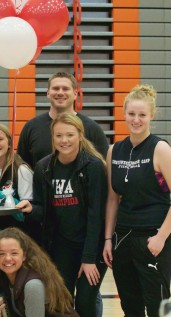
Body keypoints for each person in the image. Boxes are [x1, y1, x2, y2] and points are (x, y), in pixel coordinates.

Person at [17, 71, 108, 315]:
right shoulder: (44, 167)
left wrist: (89, 258)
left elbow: (96, 215)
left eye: (70, 135)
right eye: (59, 136)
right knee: (61, 301)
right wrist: (29, 208)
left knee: (87, 302)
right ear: (52, 137)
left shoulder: (94, 166)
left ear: (80, 135)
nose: (64, 140)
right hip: (61, 245)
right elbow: (42, 208)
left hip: (91, 245)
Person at [102, 84, 171, 317]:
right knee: (130, 305)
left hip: (153, 238)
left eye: (142, 114)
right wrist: (108, 239)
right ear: (124, 114)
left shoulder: (160, 148)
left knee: (157, 305)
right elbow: (112, 198)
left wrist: (161, 237)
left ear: (151, 115)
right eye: (131, 114)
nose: (136, 119)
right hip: (123, 238)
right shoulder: (115, 150)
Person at [17, 71, 109, 169]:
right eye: (56, 88)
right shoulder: (31, 127)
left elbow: (104, 169)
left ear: (75, 94)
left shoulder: (91, 128)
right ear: (48, 93)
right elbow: (21, 169)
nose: (60, 92)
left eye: (65, 89)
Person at [0, 227, 77, 317]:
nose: (7, 258)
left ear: (24, 256)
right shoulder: (3, 277)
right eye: (1, 253)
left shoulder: (32, 285)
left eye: (14, 253)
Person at [0, 122, 33, 230]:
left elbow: (26, 213)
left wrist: (0, 195)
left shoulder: (21, 170)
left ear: (9, 143)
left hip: (16, 235)